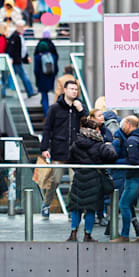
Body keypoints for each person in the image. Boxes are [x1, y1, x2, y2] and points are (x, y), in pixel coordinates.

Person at [39, 80, 87, 214]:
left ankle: (70, 207)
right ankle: (46, 204)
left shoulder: (80, 108)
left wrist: (81, 110)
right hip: (59, 149)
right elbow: (47, 129)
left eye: (76, 89)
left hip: (76, 151)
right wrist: (44, 148)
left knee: (74, 181)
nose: (74, 91)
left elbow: (88, 123)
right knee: (55, 180)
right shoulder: (55, 108)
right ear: (65, 90)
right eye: (71, 89)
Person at [67, 117, 116, 242]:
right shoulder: (99, 144)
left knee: (76, 208)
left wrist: (78, 170)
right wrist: (108, 144)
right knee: (90, 208)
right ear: (95, 130)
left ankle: (73, 233)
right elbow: (112, 156)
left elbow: (70, 159)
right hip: (94, 178)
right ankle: (87, 235)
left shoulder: (76, 143)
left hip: (79, 177)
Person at [113, 115, 139, 242]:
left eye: (123, 125)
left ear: (128, 125)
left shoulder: (132, 141)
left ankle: (125, 235)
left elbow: (133, 161)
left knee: (124, 204)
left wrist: (116, 162)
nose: (122, 127)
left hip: (135, 178)